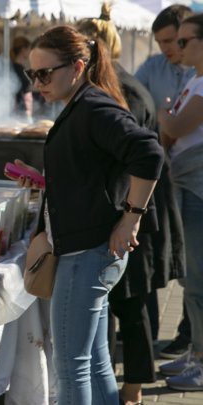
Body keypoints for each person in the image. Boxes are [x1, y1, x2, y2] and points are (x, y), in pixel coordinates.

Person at [9, 26, 164, 404]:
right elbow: (95, 169)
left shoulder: (93, 107)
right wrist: (51, 182)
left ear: (77, 67)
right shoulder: (82, 105)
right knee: (94, 362)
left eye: (45, 73)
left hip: (88, 253)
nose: (37, 83)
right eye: (33, 74)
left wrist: (131, 218)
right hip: (90, 249)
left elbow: (149, 152)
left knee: (72, 365)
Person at [77, 6, 186, 404]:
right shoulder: (113, 86)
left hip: (132, 213)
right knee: (125, 304)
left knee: (131, 304)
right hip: (130, 210)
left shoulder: (117, 91)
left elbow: (143, 155)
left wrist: (129, 215)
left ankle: (134, 391)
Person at [135, 4, 195, 360]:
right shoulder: (153, 68)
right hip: (162, 175)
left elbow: (173, 124)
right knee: (175, 256)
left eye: (173, 41)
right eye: (161, 43)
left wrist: (166, 122)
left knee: (195, 266)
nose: (169, 49)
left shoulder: (198, 70)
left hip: (191, 176)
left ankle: (189, 334)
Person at [157, 13, 203, 392]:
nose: (178, 47)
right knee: (191, 283)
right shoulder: (195, 79)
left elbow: (174, 127)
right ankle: (197, 354)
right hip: (187, 187)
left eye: (185, 41)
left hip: (197, 191)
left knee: (198, 282)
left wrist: (163, 113)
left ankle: (202, 361)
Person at [10, 36, 33, 122]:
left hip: (20, 111)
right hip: (20, 112)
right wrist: (27, 112)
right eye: (28, 49)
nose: (29, 52)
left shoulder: (14, 68)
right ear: (23, 49)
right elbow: (24, 93)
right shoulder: (18, 70)